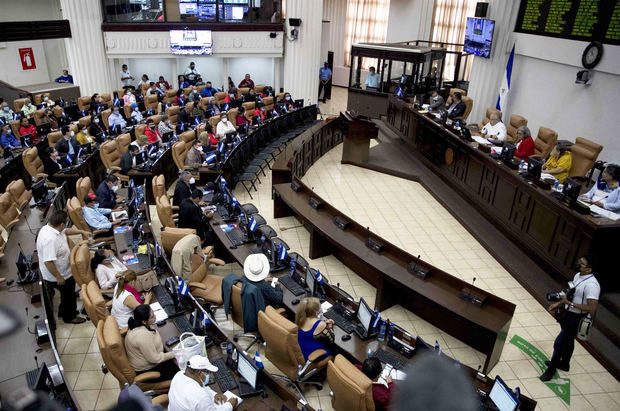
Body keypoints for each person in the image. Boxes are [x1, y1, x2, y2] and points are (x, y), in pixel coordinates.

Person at [540, 254, 600, 381]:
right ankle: (565, 364)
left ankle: (551, 370)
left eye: (582, 264)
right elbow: (569, 294)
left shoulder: (592, 286)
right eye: (580, 261)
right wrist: (558, 303)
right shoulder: (578, 275)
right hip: (568, 313)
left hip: (577, 318)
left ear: (589, 269)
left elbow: (592, 308)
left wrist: (570, 304)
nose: (578, 264)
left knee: (559, 343)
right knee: (568, 340)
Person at [36, 210, 89, 324]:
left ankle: (62, 312)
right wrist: (58, 277)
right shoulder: (50, 239)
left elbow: (66, 231)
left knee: (66, 295)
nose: (65, 226)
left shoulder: (52, 227)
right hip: (58, 274)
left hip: (64, 270)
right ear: (60, 224)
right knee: (69, 295)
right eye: (64, 224)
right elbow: (48, 261)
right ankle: (70, 317)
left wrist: (81, 231)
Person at [125, 305, 178, 380]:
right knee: (178, 370)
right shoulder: (142, 336)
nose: (155, 317)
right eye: (152, 317)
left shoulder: (137, 324)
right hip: (148, 370)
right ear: (144, 321)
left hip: (150, 359)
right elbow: (155, 359)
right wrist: (175, 353)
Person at [168, 355, 237, 411]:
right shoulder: (200, 397)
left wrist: (214, 394)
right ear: (200, 373)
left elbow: (201, 386)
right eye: (209, 373)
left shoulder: (179, 375)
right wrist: (230, 405)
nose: (209, 376)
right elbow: (200, 395)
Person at [295, 296, 333, 361]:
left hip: (300, 351)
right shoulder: (320, 324)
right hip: (312, 356)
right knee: (334, 350)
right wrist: (329, 326)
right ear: (316, 312)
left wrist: (323, 323)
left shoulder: (301, 318)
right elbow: (331, 341)